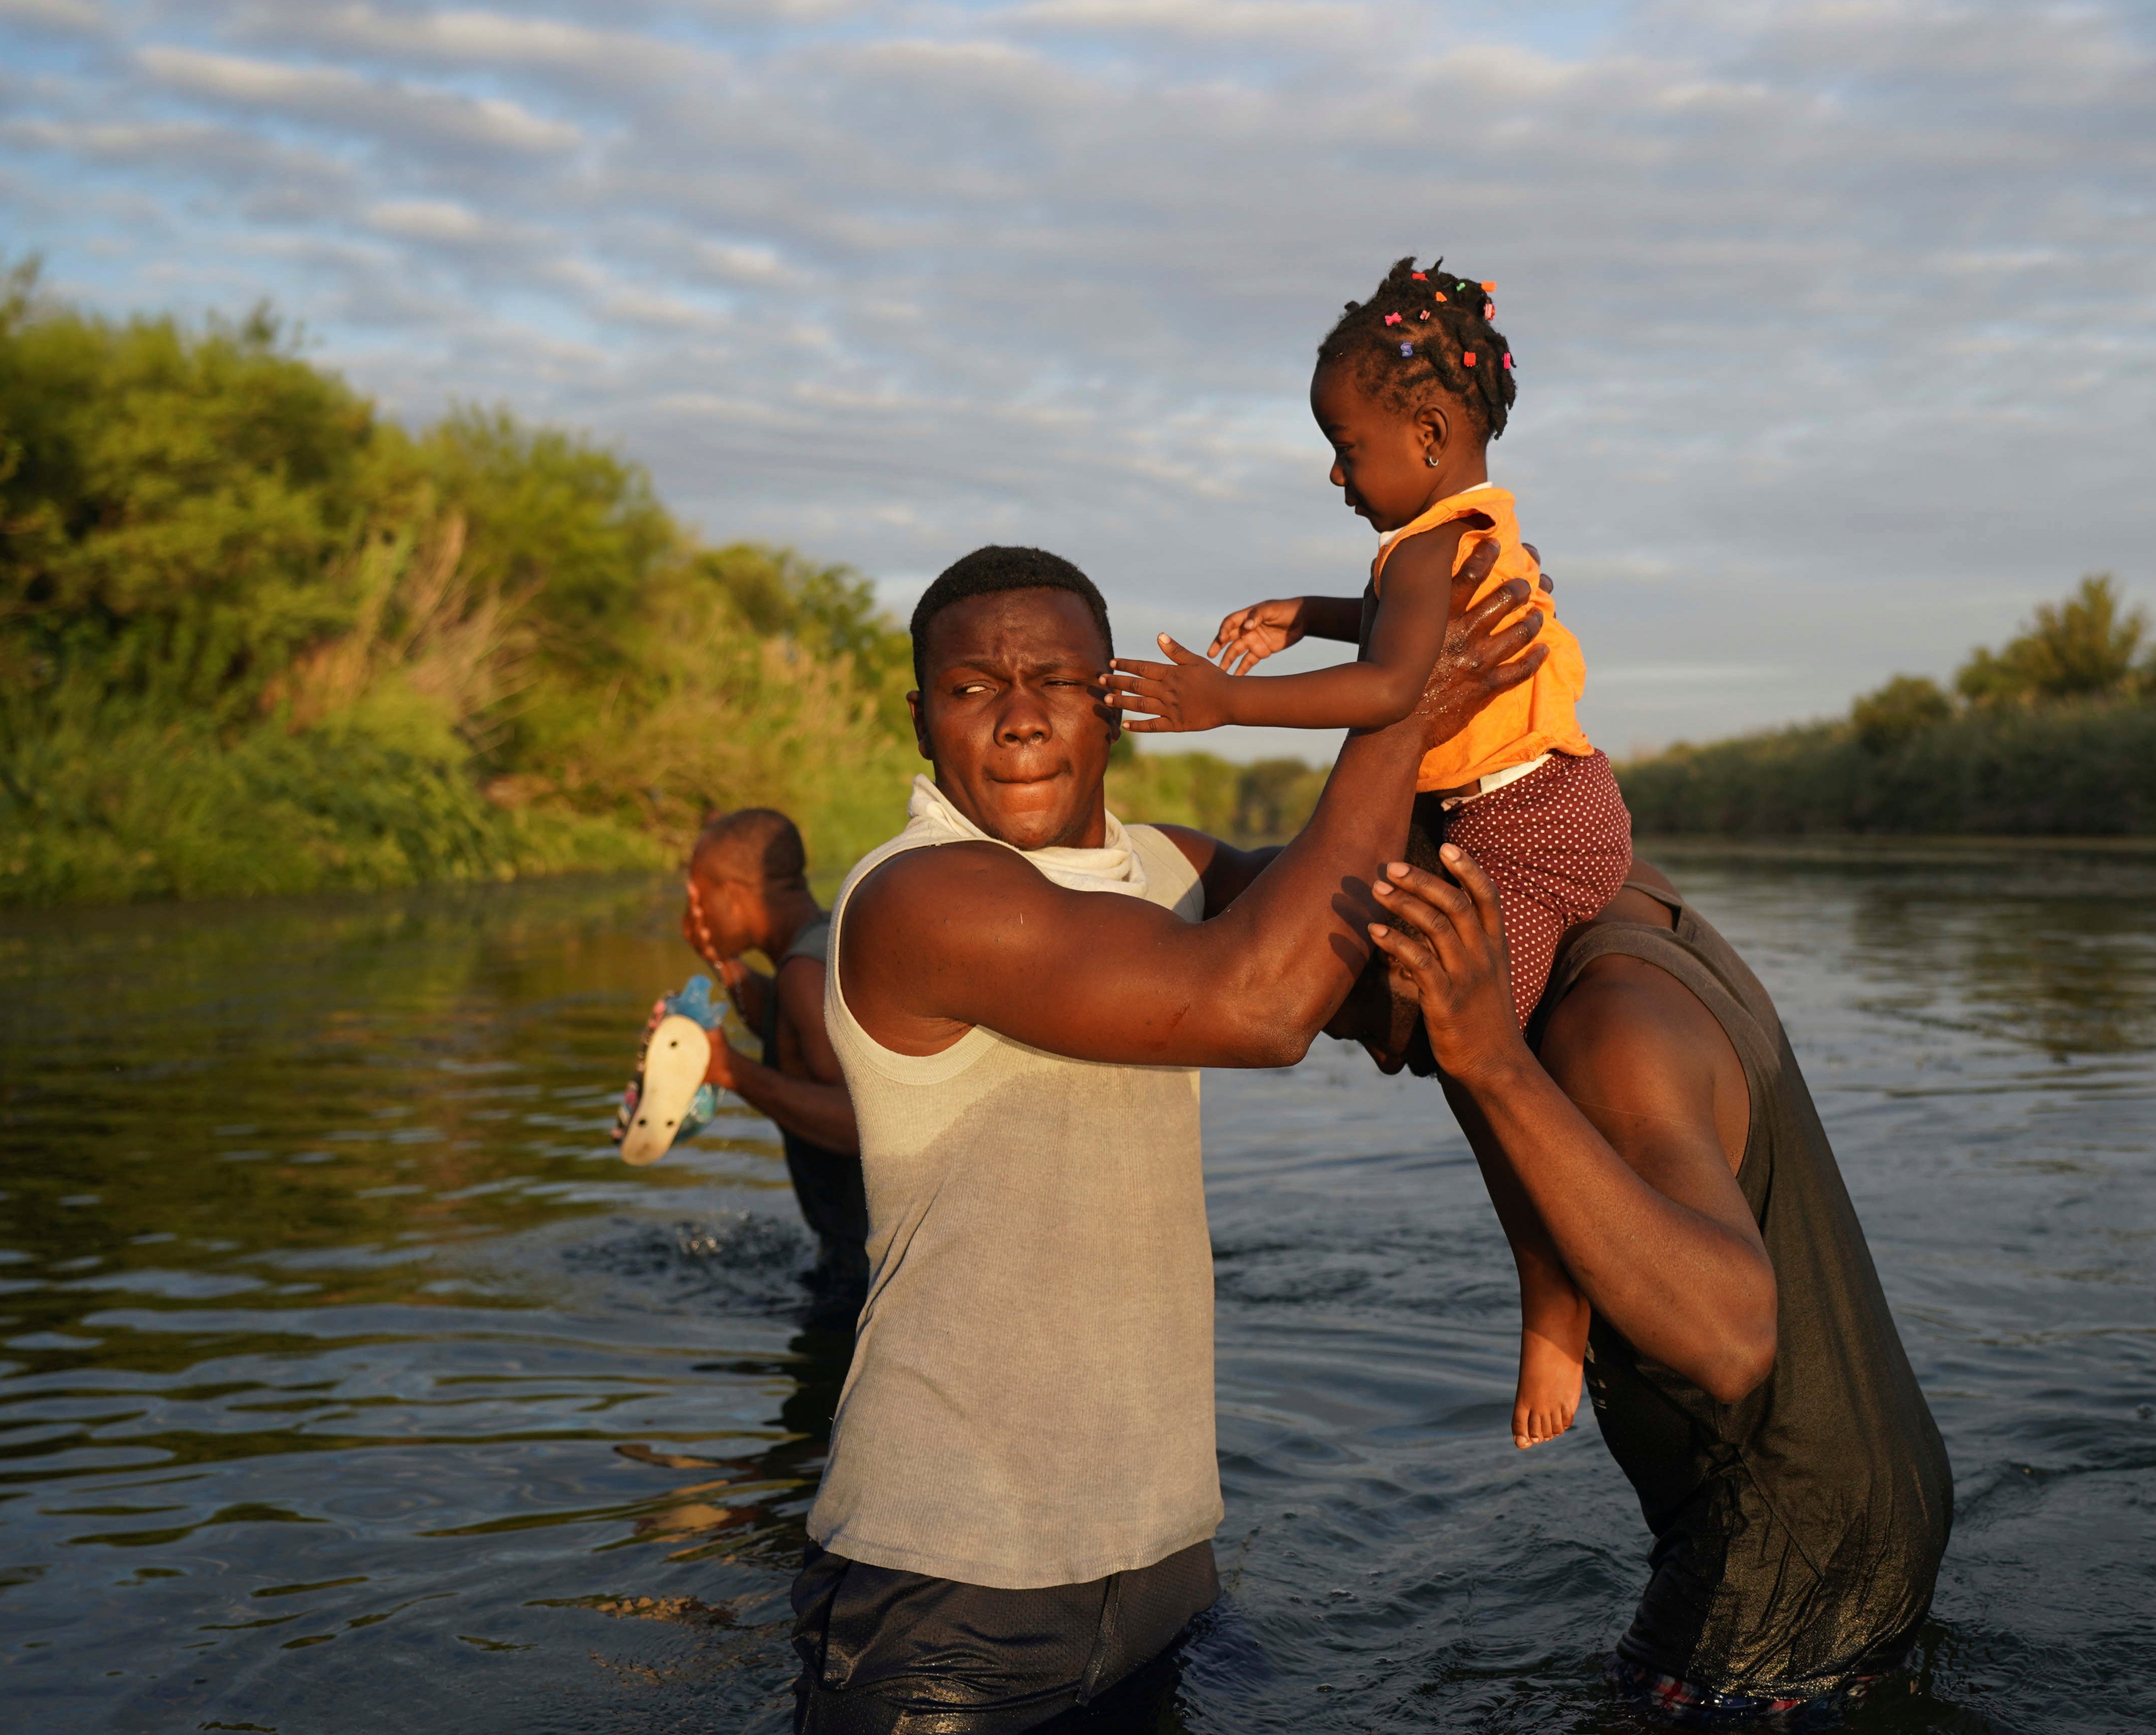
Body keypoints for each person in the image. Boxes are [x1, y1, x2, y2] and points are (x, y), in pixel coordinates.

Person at [792, 541, 1548, 1734]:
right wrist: (1399, 711)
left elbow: (1361, 976)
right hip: (946, 1596)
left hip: (1160, 1565)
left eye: (1054, 679)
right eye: (971, 687)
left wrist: (1514, 782)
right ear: (919, 719)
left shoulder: (1170, 866)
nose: (1019, 719)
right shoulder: (917, 895)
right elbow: (1256, 1004)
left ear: (1116, 697)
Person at [1108, 255, 1629, 1453]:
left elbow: (1399, 679)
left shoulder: (1421, 553)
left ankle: (1554, 1291)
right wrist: (1306, 608)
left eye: (1345, 446)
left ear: (1431, 430)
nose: (1334, 473)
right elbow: (1401, 623)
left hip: (1523, 825)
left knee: (1471, 1047)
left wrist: (1222, 703)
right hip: (1545, 805)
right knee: (1433, 1020)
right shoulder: (1464, 532)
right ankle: (1550, 1273)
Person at [1351, 846, 1955, 1726]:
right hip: (1868, 1508)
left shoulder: (1609, 1030)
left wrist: (1489, 1058)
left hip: (1778, 1565)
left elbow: (1732, 1338)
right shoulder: (1630, 902)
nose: (1370, 1052)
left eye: (1354, 1015)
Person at [681, 809, 865, 1291]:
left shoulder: (805, 975)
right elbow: (794, 1039)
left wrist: (729, 1071)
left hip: (866, 1269)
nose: (693, 910)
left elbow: (860, 1124)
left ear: (732, 895)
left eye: (699, 895)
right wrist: (722, 961)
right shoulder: (821, 943)